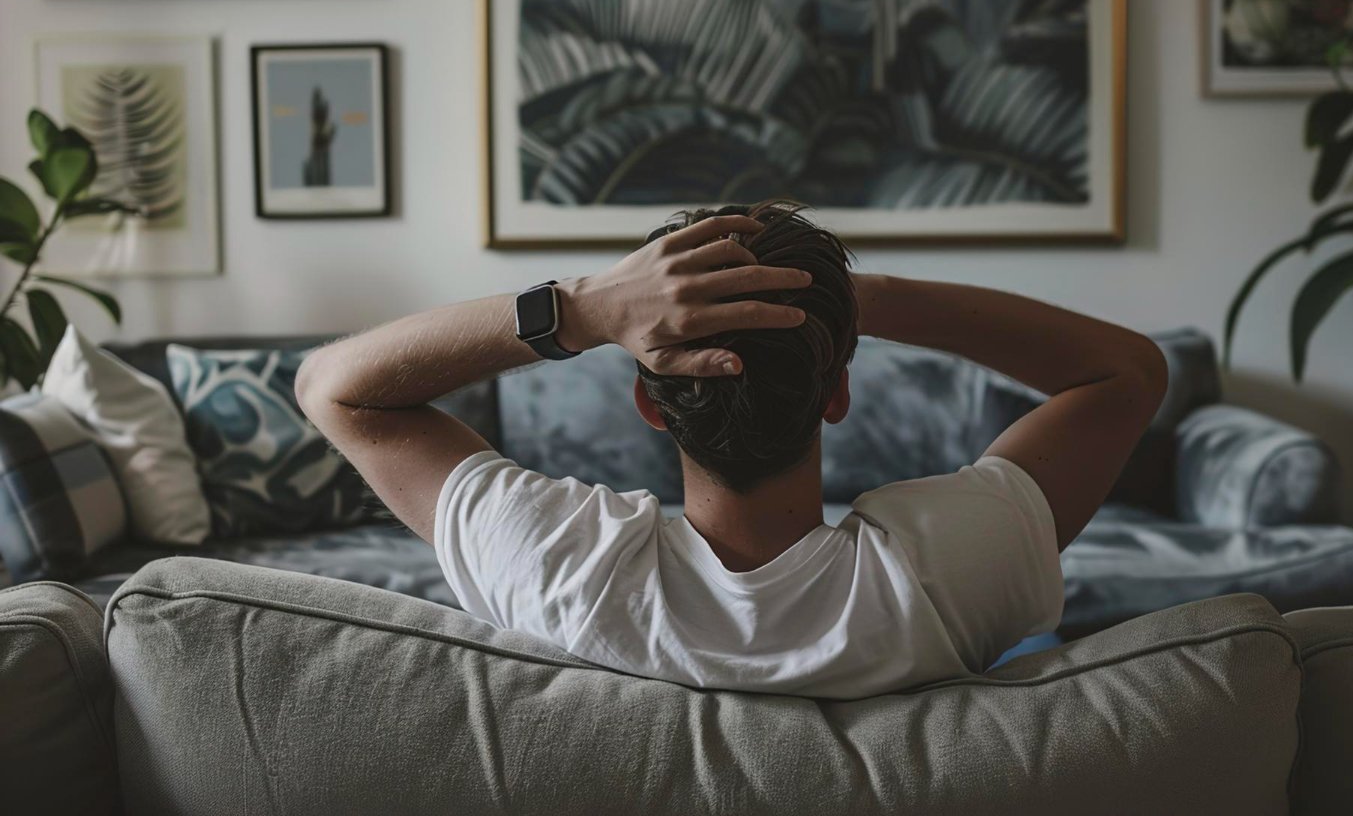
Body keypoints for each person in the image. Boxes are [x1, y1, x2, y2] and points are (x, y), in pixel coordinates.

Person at [297, 201, 1167, 699]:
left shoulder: (561, 569)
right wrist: (852, 299)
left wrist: (586, 305)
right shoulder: (944, 579)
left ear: (647, 401)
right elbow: (1127, 372)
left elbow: (332, 387)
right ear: (838, 394)